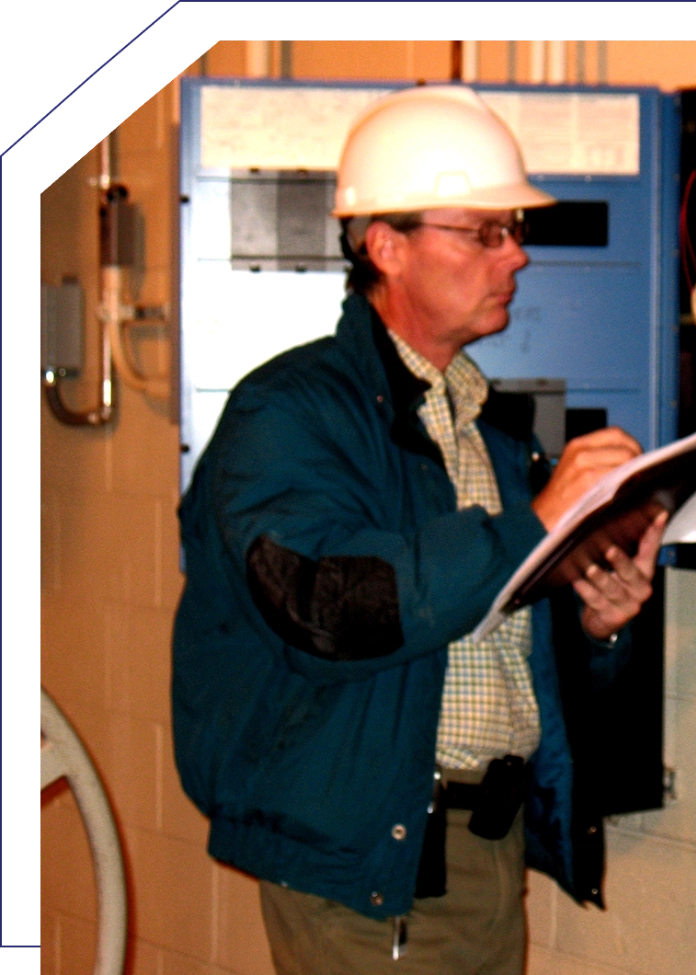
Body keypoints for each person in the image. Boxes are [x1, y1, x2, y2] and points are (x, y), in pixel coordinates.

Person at [172, 85, 667, 975]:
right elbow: (326, 606)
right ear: (386, 246)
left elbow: (496, 637)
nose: (515, 255)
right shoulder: (288, 413)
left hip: (486, 853)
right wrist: (541, 517)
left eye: (513, 228)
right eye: (483, 231)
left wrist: (597, 622)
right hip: (375, 870)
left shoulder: (488, 429)